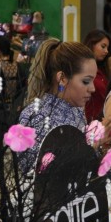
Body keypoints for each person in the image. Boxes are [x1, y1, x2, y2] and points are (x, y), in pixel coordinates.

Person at [19, 39, 96, 173]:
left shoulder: (76, 110)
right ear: (62, 78)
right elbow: (39, 175)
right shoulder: (36, 116)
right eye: (86, 81)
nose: (93, 88)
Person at [83, 29, 111, 122]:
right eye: (103, 46)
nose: (106, 51)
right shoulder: (81, 69)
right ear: (92, 44)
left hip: (102, 122)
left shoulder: (103, 71)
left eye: (107, 48)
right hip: (88, 123)